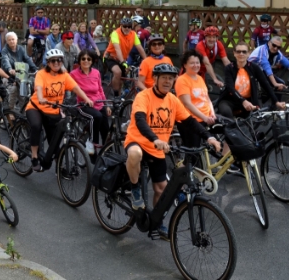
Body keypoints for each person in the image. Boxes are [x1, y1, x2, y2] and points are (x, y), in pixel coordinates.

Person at [124, 63, 221, 239]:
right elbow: (140, 120)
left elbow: (190, 121)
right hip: (139, 141)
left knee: (161, 190)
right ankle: (135, 189)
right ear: (156, 79)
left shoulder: (172, 100)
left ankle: (156, 223)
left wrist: (209, 137)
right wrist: (155, 139)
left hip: (158, 148)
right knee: (135, 154)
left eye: (171, 78)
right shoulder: (143, 96)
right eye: (164, 78)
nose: (167, 81)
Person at [26, 48, 94, 172]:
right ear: (48, 62)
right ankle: (34, 156)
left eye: (59, 60)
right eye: (53, 61)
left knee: (55, 138)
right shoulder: (41, 74)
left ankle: (59, 165)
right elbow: (39, 88)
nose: (56, 63)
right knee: (36, 126)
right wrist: (40, 97)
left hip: (53, 109)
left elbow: (76, 88)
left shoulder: (64, 75)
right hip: (36, 107)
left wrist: (87, 99)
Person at [218, 41, 284, 119]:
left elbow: (265, 84)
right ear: (234, 53)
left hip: (249, 101)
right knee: (226, 112)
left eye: (244, 52)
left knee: (251, 122)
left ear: (248, 53)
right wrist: (243, 101)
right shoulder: (229, 68)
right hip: (230, 100)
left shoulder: (254, 67)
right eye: (238, 51)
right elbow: (230, 88)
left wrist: (276, 102)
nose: (241, 54)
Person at [69, 50, 109, 153]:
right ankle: (92, 142)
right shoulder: (73, 74)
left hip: (99, 103)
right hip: (83, 105)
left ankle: (107, 150)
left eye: (88, 59)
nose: (86, 61)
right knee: (97, 116)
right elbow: (68, 88)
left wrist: (106, 105)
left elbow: (100, 89)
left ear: (92, 61)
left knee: (106, 128)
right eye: (83, 59)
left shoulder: (96, 73)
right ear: (79, 60)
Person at [103, 17, 147, 96]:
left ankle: (120, 100)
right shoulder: (115, 33)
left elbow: (140, 48)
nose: (127, 28)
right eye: (125, 26)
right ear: (121, 26)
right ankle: (116, 96)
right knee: (117, 72)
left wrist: (147, 60)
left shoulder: (133, 34)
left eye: (129, 26)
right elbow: (117, 49)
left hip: (122, 59)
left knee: (121, 80)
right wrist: (123, 62)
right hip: (110, 57)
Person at [175, 51, 217, 126]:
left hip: (207, 118)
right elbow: (187, 104)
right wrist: (205, 118)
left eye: (197, 63)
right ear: (185, 65)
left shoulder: (200, 78)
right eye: (192, 63)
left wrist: (212, 114)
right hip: (192, 120)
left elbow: (207, 99)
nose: (196, 65)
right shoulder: (182, 80)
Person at [0, 31, 36, 110]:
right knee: (14, 89)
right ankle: (10, 110)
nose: (12, 41)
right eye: (9, 40)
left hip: (20, 74)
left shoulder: (21, 49)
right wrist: (10, 70)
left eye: (13, 39)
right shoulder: (5, 50)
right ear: (7, 41)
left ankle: (23, 110)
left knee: (25, 92)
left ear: (16, 40)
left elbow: (27, 59)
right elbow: (5, 61)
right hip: (8, 75)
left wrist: (35, 69)